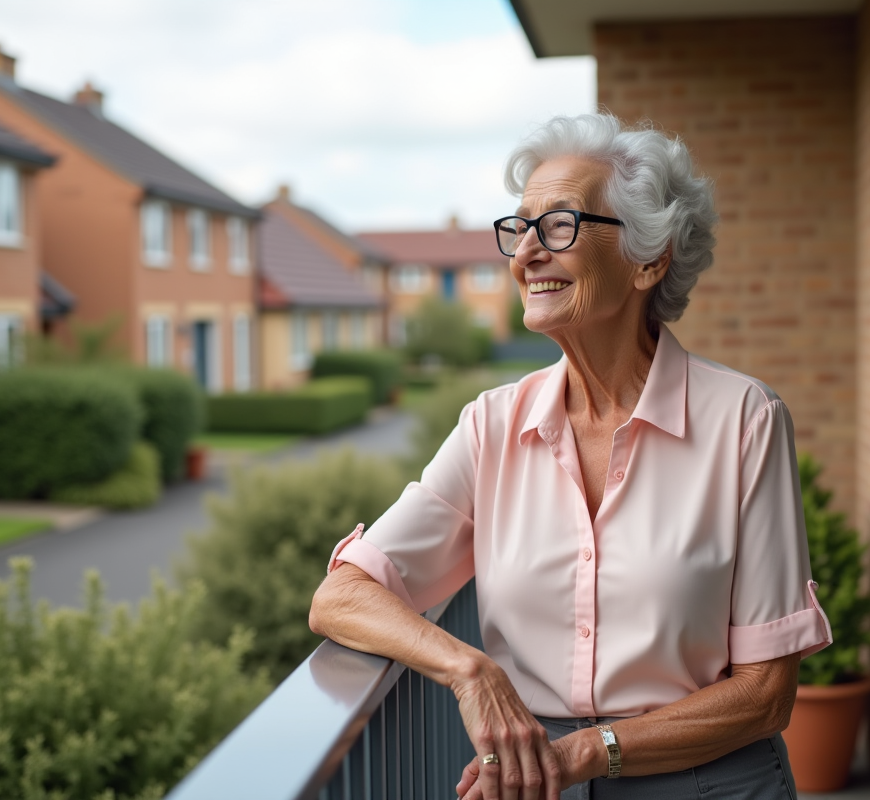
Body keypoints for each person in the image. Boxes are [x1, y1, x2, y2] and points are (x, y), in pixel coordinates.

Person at [309, 113, 833, 800]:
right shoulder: (492, 425)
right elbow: (343, 596)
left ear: (651, 257)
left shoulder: (744, 420)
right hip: (538, 782)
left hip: (707, 783)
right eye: (519, 228)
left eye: (559, 226)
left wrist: (587, 751)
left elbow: (766, 694)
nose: (526, 252)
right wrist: (472, 672)